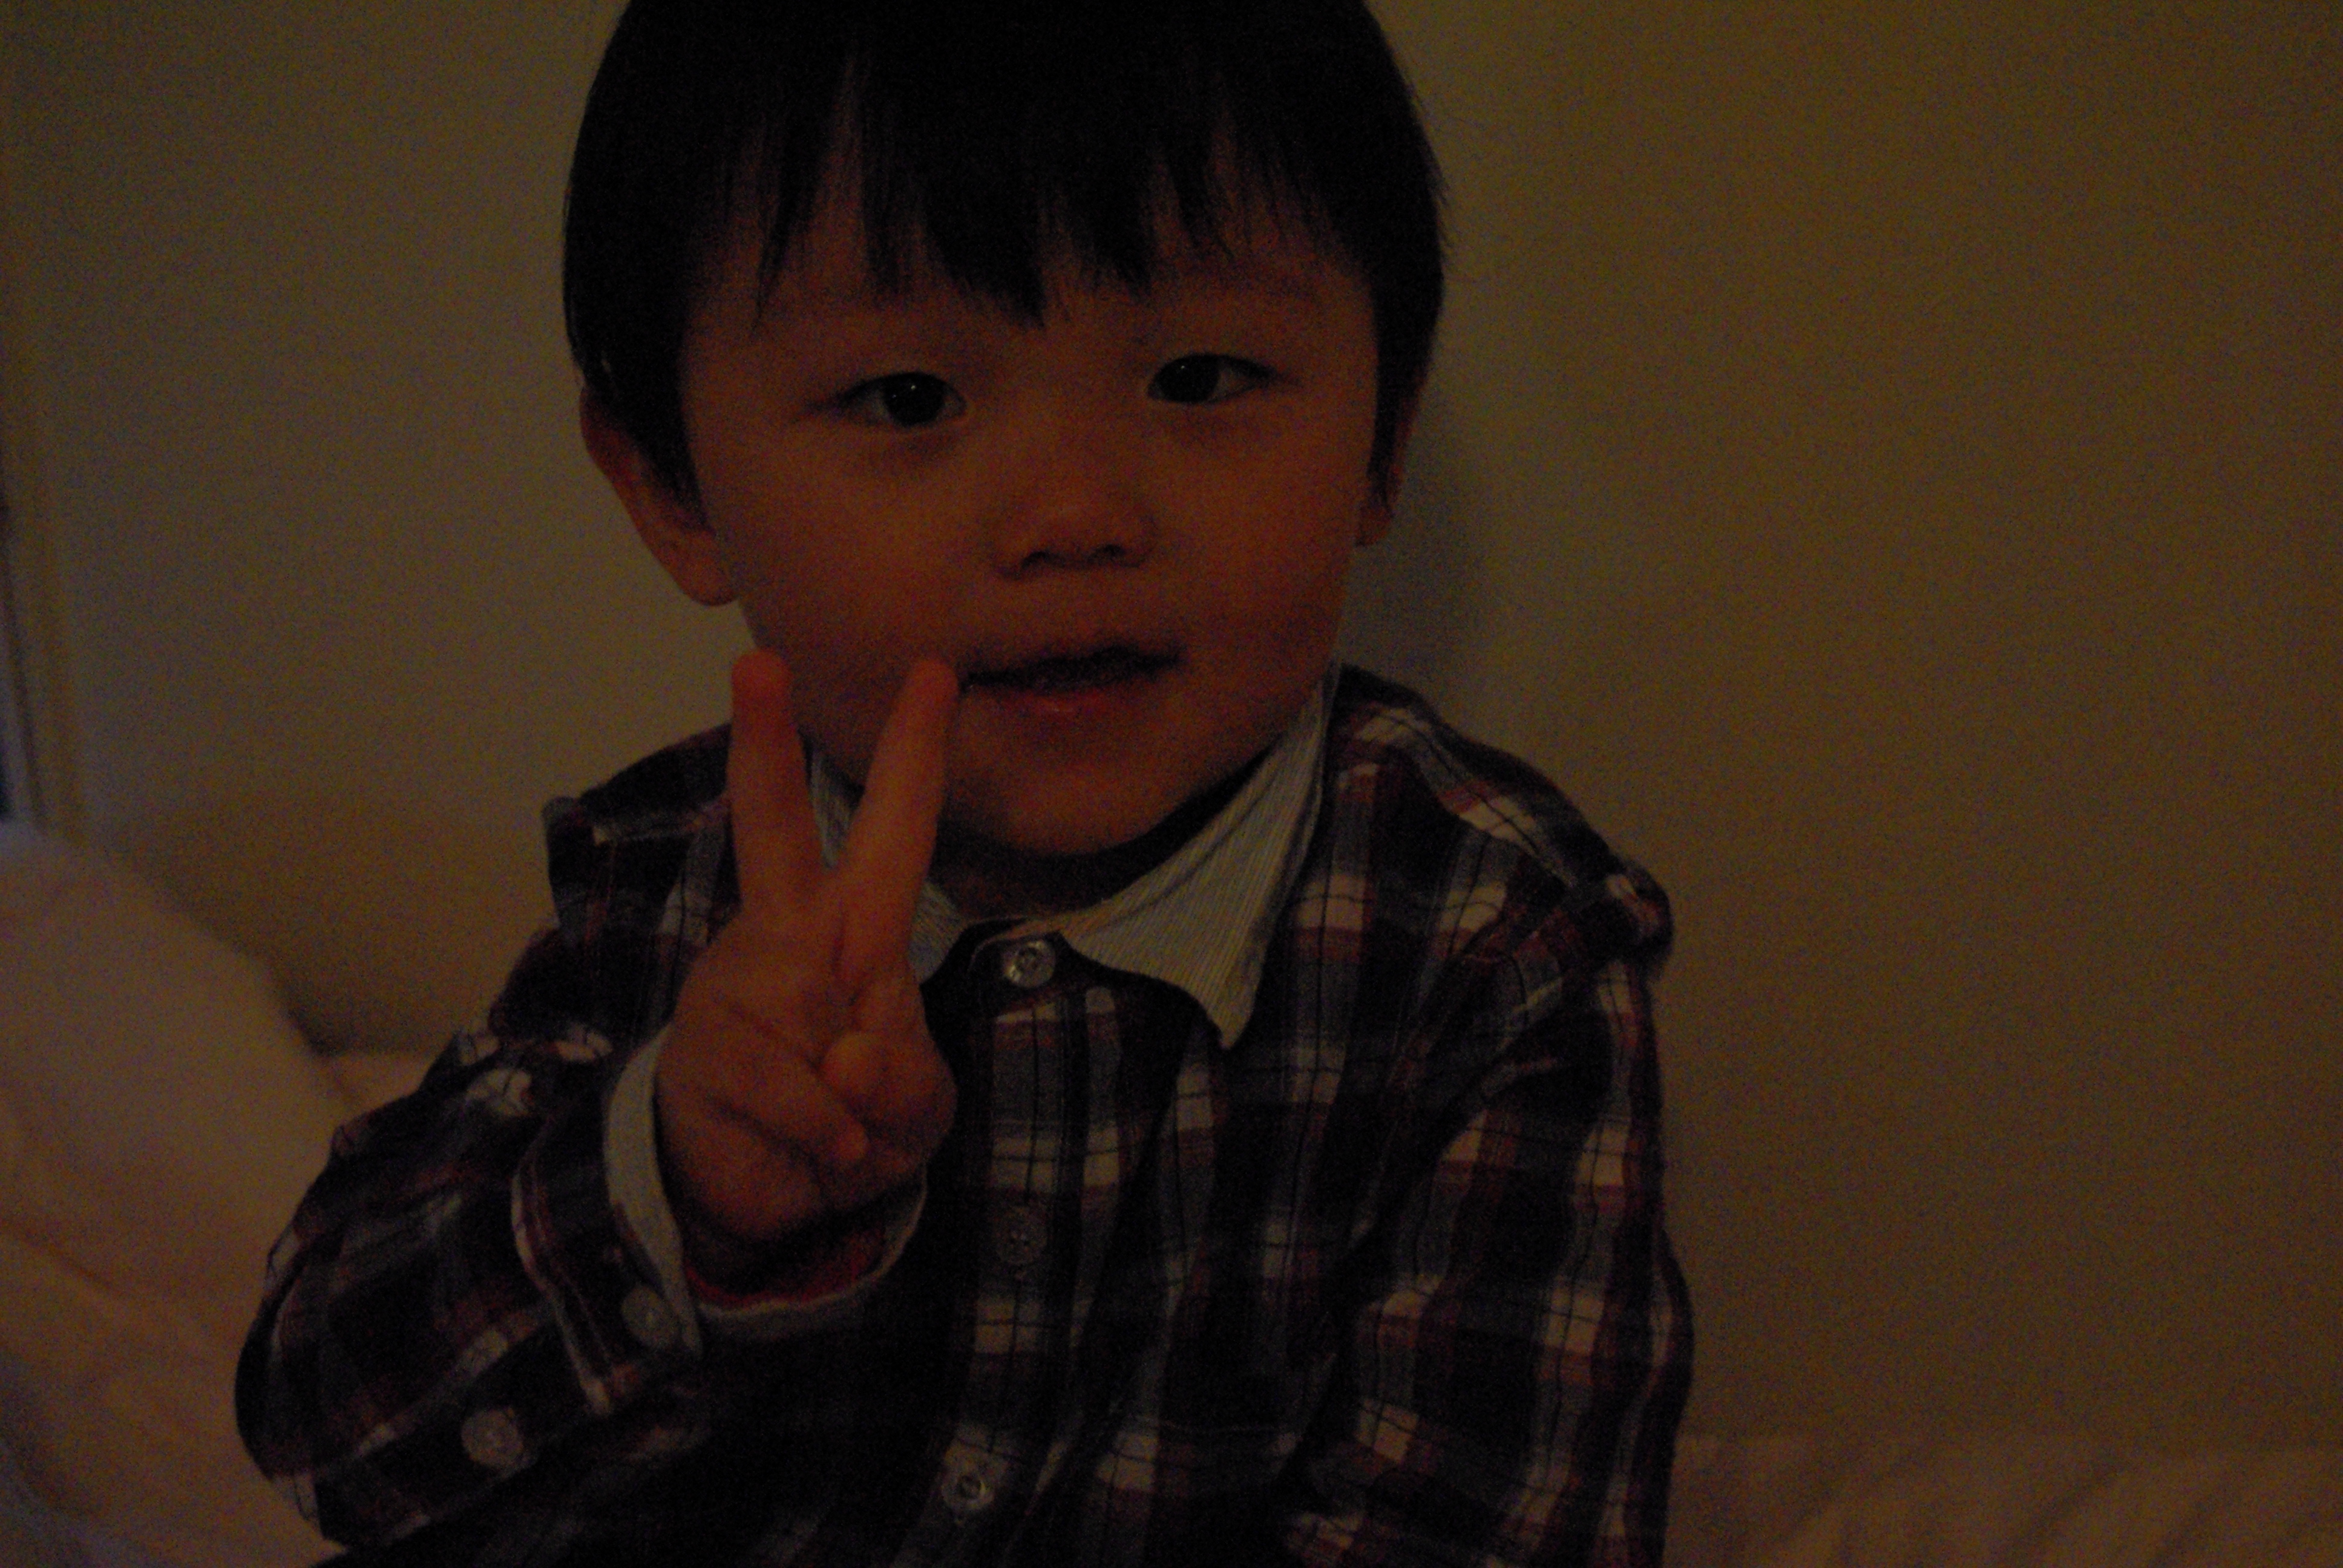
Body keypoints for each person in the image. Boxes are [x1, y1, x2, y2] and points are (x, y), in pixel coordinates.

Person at [237, 2, 1693, 1563]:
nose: (1073, 515)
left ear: (1382, 441)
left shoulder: (1493, 948)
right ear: (673, 489)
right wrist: (669, 1186)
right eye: (910, 400)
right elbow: (324, 1424)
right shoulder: (674, 880)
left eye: (1201, 377)